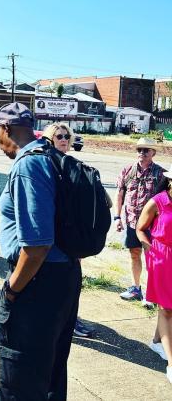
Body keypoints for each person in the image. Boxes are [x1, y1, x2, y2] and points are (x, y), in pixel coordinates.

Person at [0, 102, 81, 400]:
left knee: (21, 380)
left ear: (6, 129)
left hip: (37, 280)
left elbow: (37, 245)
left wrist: (12, 291)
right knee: (50, 374)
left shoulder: (28, 164)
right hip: (65, 274)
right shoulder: (54, 156)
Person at [42, 122, 95, 339]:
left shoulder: (75, 165)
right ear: (50, 140)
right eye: (58, 136)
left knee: (72, 281)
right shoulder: (45, 164)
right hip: (52, 233)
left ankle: (72, 319)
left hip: (73, 235)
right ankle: (57, 320)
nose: (63, 139)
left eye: (66, 136)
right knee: (51, 280)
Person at [115, 137, 165, 302]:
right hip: (131, 221)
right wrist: (117, 217)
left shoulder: (160, 174)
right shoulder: (127, 170)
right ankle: (136, 289)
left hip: (151, 225)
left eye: (146, 150)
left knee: (153, 257)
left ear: (153, 153)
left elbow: (166, 200)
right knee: (134, 254)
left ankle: (152, 294)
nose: (142, 153)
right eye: (139, 150)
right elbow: (120, 194)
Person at [136, 166, 172, 383]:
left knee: (168, 306)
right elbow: (140, 228)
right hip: (162, 257)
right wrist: (150, 250)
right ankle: (171, 362)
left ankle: (157, 342)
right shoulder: (158, 201)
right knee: (167, 308)